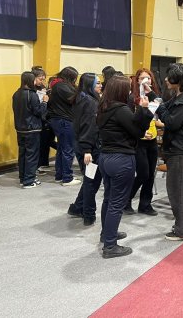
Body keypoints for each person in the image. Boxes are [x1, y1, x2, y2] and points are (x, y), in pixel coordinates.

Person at [97, 75, 153, 258]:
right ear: (121, 91)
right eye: (128, 88)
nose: (130, 91)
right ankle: (110, 246)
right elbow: (138, 132)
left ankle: (107, 234)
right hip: (121, 159)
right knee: (116, 203)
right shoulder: (121, 110)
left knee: (108, 199)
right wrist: (144, 110)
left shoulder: (103, 107)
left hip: (105, 157)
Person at [156, 63, 183, 241]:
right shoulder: (181, 96)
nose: (166, 79)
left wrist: (159, 108)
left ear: (179, 79)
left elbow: (171, 122)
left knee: (178, 190)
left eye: (169, 77)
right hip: (179, 149)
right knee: (181, 188)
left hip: (180, 150)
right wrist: (152, 95)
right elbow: (165, 106)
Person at [125, 68, 162, 216]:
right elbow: (129, 120)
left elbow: (157, 115)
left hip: (152, 139)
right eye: (142, 78)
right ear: (137, 81)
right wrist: (141, 132)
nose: (146, 81)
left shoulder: (154, 97)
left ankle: (145, 204)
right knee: (143, 174)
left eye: (148, 78)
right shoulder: (132, 98)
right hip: (138, 141)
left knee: (151, 174)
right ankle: (126, 200)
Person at [67, 73, 102, 226]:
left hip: (83, 144)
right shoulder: (89, 102)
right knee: (91, 181)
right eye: (97, 83)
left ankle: (77, 207)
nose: (101, 85)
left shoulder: (82, 98)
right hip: (88, 148)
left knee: (90, 179)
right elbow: (88, 126)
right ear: (90, 85)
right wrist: (87, 150)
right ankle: (88, 214)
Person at [12, 71, 49, 188]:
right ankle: (29, 180)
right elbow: (39, 111)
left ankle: (23, 177)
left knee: (22, 154)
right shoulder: (31, 94)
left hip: (20, 128)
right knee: (32, 155)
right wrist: (44, 102)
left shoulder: (16, 94)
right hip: (32, 129)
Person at [47, 67, 80, 186]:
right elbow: (75, 99)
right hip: (65, 120)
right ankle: (67, 177)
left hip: (58, 120)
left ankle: (59, 175)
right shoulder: (62, 86)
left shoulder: (57, 85)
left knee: (62, 148)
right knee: (68, 149)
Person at [32, 66, 55, 175]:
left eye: (44, 79)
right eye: (40, 79)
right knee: (37, 145)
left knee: (45, 142)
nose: (42, 81)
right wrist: (44, 101)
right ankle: (36, 167)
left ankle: (41, 164)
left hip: (45, 119)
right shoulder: (31, 91)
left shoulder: (42, 88)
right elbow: (37, 109)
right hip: (36, 120)